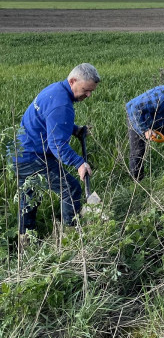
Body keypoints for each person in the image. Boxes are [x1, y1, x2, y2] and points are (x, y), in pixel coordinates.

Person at [11, 63, 101, 243]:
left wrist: (74, 129)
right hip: (33, 156)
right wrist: (79, 163)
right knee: (71, 188)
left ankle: (25, 240)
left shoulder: (55, 90)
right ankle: (70, 236)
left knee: (30, 197)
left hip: (20, 152)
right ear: (73, 81)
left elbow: (50, 122)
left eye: (91, 91)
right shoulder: (61, 104)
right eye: (86, 90)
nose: (88, 95)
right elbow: (57, 145)